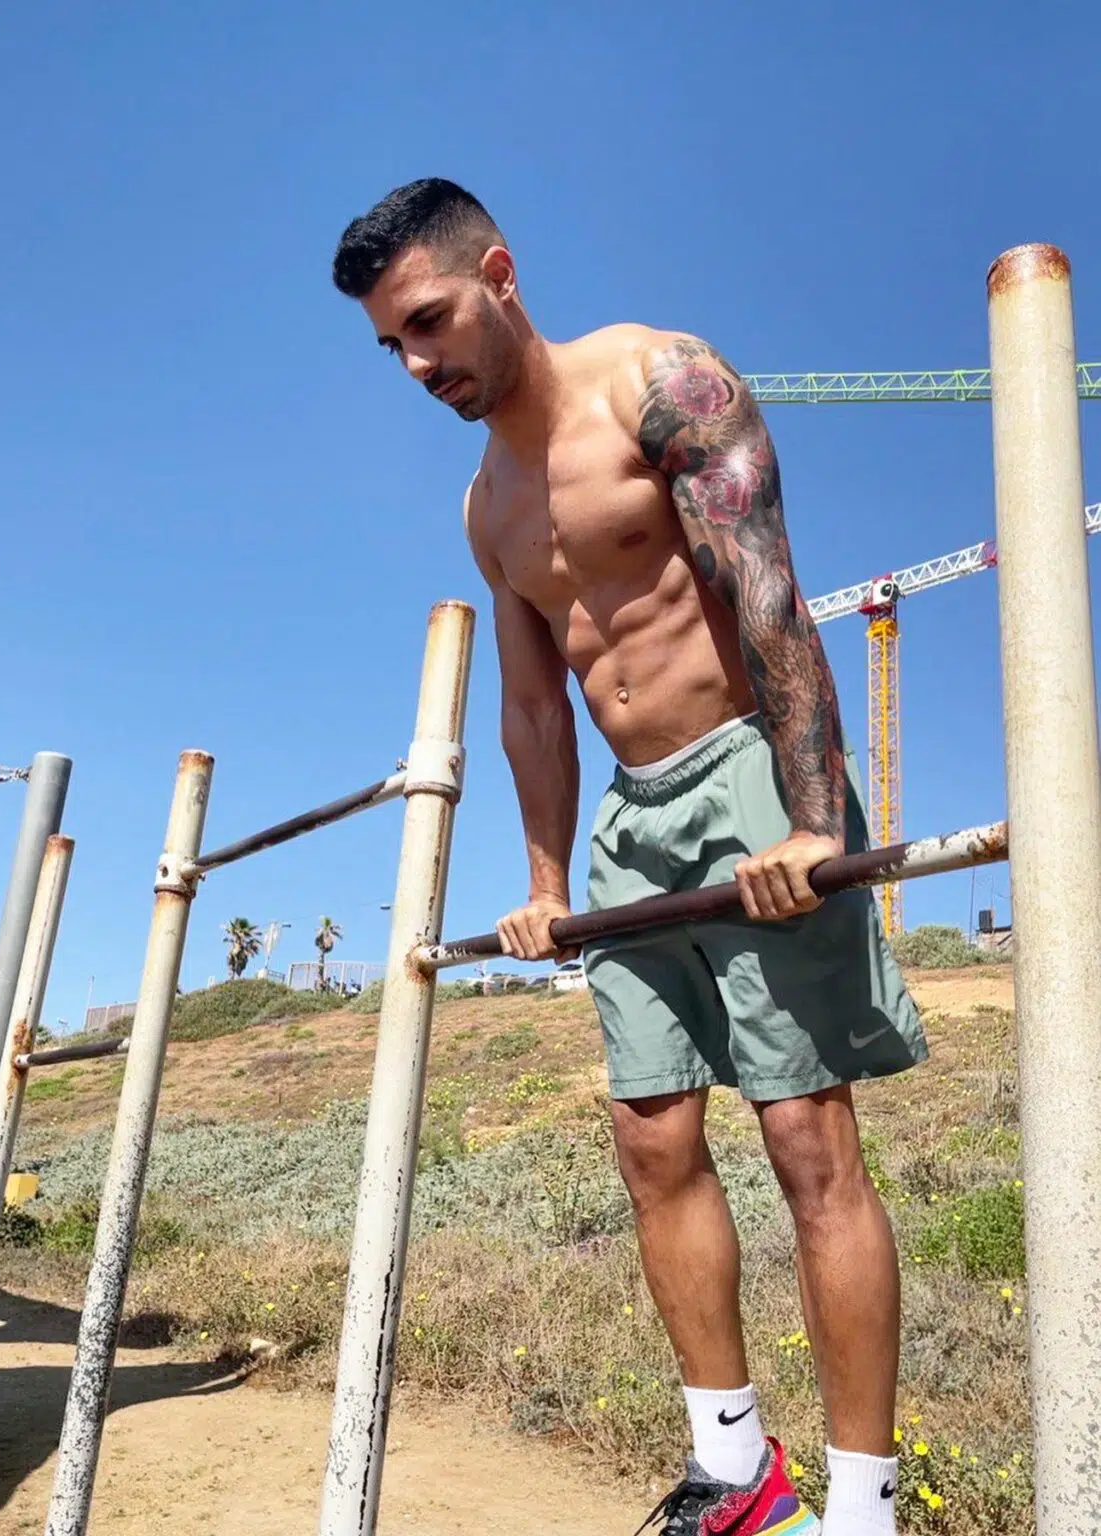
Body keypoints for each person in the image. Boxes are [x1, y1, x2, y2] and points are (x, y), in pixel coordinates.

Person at [332, 178, 927, 1536]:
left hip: (750, 770)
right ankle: (736, 1469)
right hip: (629, 816)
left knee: (806, 1138)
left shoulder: (664, 384)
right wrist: (547, 884)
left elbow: (768, 590)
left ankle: (864, 1507)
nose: (417, 363)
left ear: (499, 274)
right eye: (392, 346)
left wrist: (813, 821)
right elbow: (535, 702)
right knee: (651, 1137)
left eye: (429, 321)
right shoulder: (487, 505)